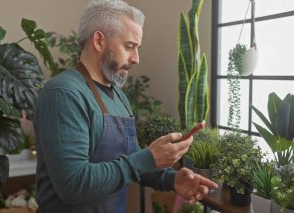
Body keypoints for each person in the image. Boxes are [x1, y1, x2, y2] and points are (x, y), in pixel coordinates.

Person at [33, 0, 218, 212]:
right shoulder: (64, 94)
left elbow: (132, 163)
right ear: (99, 41)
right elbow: (74, 185)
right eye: (129, 46)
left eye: (137, 48)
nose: (136, 58)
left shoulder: (118, 96)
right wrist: (148, 157)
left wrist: (172, 180)